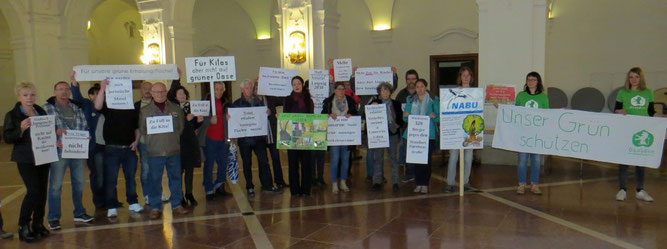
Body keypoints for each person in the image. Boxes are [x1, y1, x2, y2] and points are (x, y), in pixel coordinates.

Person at [43, 81, 94, 230]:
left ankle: (79, 212)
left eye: (66, 89)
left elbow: (84, 126)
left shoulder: (76, 107)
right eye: (60, 89)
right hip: (59, 151)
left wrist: (85, 137)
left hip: (77, 151)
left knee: (79, 183)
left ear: (70, 92)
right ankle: (53, 217)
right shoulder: (47, 108)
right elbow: (42, 129)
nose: (64, 92)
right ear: (54, 91)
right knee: (55, 186)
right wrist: (54, 134)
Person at [3, 82, 50, 242]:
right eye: (25, 95)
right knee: (33, 190)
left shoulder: (40, 111)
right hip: (25, 158)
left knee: (42, 192)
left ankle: (38, 223)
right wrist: (21, 129)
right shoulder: (13, 115)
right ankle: (23, 225)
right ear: (19, 96)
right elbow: (8, 138)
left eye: (32, 94)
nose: (29, 98)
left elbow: (47, 131)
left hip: (43, 155)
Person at [95, 78, 143, 218]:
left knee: (131, 178)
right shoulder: (109, 107)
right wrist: (103, 88)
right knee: (111, 178)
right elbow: (97, 106)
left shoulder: (132, 109)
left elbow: (137, 128)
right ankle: (111, 205)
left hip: (129, 149)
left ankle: (133, 202)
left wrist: (136, 141)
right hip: (112, 149)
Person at [139, 83, 189, 219]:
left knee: (176, 178)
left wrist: (171, 138)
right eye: (157, 92)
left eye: (162, 92)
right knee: (154, 180)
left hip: (173, 150)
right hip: (155, 151)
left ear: (166, 92)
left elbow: (180, 128)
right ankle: (155, 206)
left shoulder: (175, 108)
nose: (160, 94)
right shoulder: (145, 110)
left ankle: (177, 204)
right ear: (152, 93)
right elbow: (143, 129)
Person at [614, 67, 662, 202]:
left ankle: (640, 190)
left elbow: (651, 111)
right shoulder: (622, 92)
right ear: (628, 79)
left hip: (642, 130)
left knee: (640, 161)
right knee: (624, 160)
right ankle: (622, 189)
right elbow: (616, 110)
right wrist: (620, 112)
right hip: (626, 130)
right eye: (631, 77)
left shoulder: (648, 92)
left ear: (641, 78)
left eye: (636, 77)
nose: (633, 79)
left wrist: (661, 115)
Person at [229, 80, 283, 196]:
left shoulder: (259, 102)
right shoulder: (237, 103)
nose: (249, 90)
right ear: (242, 90)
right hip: (244, 141)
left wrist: (267, 114)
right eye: (247, 88)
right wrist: (229, 118)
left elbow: (263, 119)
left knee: (264, 162)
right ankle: (249, 186)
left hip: (259, 139)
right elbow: (233, 121)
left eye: (251, 88)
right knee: (247, 163)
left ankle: (267, 185)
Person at [70, 71, 105, 209]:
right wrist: (74, 82)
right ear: (90, 96)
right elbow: (77, 96)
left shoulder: (107, 106)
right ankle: (99, 201)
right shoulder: (86, 104)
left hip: (107, 145)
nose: (99, 96)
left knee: (108, 174)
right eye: (96, 94)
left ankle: (109, 199)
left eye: (101, 93)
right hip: (94, 146)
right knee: (97, 174)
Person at [167, 74, 203, 207]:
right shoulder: (172, 108)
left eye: (183, 93)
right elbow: (174, 127)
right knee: (178, 171)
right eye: (179, 93)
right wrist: (176, 77)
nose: (181, 95)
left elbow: (192, 127)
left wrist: (198, 122)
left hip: (190, 143)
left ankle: (189, 193)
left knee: (190, 171)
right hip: (178, 144)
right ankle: (180, 195)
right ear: (175, 96)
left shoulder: (190, 107)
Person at [514, 72, 549, 195]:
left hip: (537, 135)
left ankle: (534, 184)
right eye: (528, 79)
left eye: (533, 79)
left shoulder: (543, 97)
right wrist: (501, 107)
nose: (530, 82)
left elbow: (547, 115)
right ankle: (522, 184)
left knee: (536, 160)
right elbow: (514, 112)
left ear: (538, 81)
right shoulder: (520, 96)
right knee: (522, 160)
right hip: (523, 134)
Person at [403, 79, 439, 194]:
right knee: (417, 160)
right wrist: (406, 115)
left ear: (426, 87)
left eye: (422, 86)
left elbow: (439, 116)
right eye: (417, 87)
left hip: (429, 134)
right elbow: (405, 118)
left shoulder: (434, 100)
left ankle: (425, 184)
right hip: (414, 134)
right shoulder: (410, 99)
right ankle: (418, 183)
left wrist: (434, 116)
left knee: (427, 160)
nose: (419, 89)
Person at [322, 82, 359, 193]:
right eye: (339, 89)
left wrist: (351, 115)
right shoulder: (328, 101)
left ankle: (343, 181)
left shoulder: (350, 101)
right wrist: (328, 115)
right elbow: (322, 114)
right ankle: (334, 183)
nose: (341, 91)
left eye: (343, 89)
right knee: (334, 159)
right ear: (334, 90)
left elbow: (355, 114)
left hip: (347, 136)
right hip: (334, 136)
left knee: (345, 160)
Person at [367, 82, 404, 192]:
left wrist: (396, 126)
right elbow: (366, 115)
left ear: (390, 92)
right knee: (378, 158)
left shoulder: (396, 103)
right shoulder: (374, 103)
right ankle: (377, 181)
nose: (385, 92)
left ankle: (395, 182)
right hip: (379, 135)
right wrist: (371, 107)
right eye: (383, 90)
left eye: (387, 90)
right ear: (379, 92)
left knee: (393, 159)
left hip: (392, 134)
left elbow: (401, 119)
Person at [198, 82, 232, 200]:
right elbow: (199, 121)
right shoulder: (204, 103)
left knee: (223, 164)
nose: (219, 92)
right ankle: (208, 189)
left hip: (223, 139)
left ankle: (219, 185)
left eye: (221, 89)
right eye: (216, 89)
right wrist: (209, 121)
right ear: (212, 90)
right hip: (209, 139)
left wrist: (229, 118)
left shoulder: (226, 103)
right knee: (209, 165)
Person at [281, 76, 315, 196]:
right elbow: (285, 116)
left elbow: (311, 117)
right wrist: (280, 119)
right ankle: (294, 190)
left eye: (298, 83)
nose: (296, 86)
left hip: (306, 136)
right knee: (293, 164)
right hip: (292, 136)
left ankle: (306, 190)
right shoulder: (287, 100)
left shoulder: (309, 100)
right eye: (294, 84)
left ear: (302, 85)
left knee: (306, 164)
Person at [444, 67, 476, 193]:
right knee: (453, 157)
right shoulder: (453, 92)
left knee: (468, 158)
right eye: (464, 75)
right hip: (455, 127)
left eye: (468, 75)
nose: (466, 77)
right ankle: (450, 183)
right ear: (460, 77)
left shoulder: (475, 92)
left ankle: (465, 182)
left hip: (471, 127)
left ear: (471, 77)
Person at [135, 81, 166, 205]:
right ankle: (147, 194)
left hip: (158, 142)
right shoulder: (136, 106)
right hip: (144, 142)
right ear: (140, 90)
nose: (147, 90)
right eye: (144, 88)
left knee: (158, 169)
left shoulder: (160, 104)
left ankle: (158, 192)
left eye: (149, 88)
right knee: (146, 169)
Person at [254, 81, 288, 188]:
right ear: (254, 89)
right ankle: (265, 183)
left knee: (276, 158)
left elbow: (284, 100)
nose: (259, 89)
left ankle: (279, 181)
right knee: (263, 161)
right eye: (257, 87)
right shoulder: (252, 100)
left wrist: (286, 87)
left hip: (272, 133)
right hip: (260, 136)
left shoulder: (270, 97)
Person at [397, 69, 419, 183]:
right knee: (407, 153)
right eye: (409, 79)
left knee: (419, 152)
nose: (411, 81)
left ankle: (420, 175)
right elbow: (397, 112)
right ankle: (409, 174)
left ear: (417, 79)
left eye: (413, 79)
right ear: (406, 80)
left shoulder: (424, 93)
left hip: (421, 130)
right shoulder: (401, 95)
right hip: (405, 129)